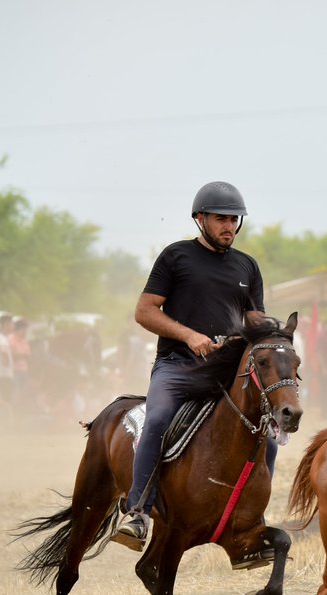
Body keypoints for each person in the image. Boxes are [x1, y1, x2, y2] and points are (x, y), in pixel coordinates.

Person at [113, 181, 272, 552]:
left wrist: (264, 335)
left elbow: (256, 322)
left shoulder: (247, 266)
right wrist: (188, 336)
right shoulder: (176, 257)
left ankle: (249, 525)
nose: (229, 226)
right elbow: (144, 311)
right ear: (200, 219)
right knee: (157, 419)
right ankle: (138, 512)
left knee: (266, 434)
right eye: (221, 219)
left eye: (234, 219)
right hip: (177, 366)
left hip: (224, 374)